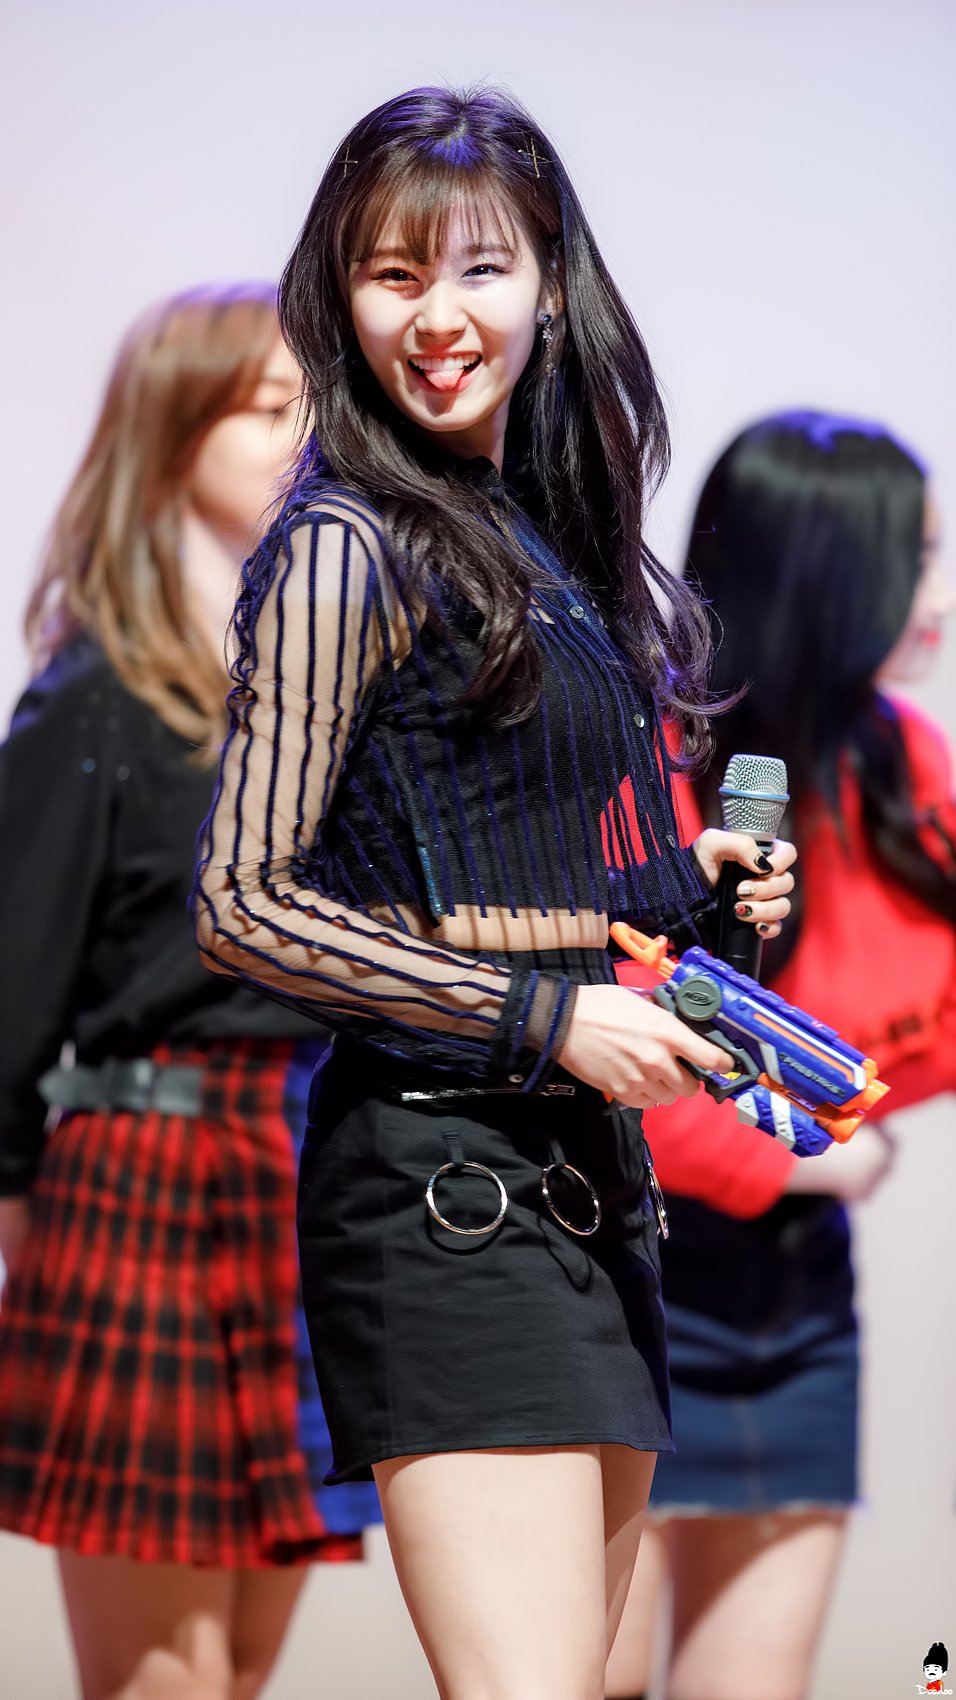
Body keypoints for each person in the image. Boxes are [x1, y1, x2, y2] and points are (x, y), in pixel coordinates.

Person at [194, 88, 797, 1700]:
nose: (439, 316)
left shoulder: (529, 535)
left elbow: (487, 863)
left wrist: (683, 890)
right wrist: (549, 1019)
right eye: (394, 275)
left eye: (480, 269)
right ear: (341, 298)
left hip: (586, 1189)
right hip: (440, 1193)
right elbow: (244, 901)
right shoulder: (343, 544)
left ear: (548, 285)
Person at [0, 283, 379, 1700]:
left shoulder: (323, 695)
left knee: (240, 1673)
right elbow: (14, 994)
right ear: (171, 436)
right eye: (275, 409)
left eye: (320, 411)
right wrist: (25, 1216)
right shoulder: (99, 695)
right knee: (165, 1681)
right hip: (145, 1172)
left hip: (308, 1170)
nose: (309, 440)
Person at [605, 411, 956, 1700]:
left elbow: (914, 1015)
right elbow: (614, 1045)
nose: (940, 597)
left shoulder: (900, 756)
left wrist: (834, 1125)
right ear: (825, 576)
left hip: (791, 1297)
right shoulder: (647, 759)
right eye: (917, 558)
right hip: (616, 1269)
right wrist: (806, 1159)